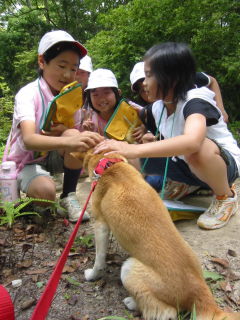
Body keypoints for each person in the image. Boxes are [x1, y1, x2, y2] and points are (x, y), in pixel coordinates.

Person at [94, 42, 240, 230]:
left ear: (170, 77)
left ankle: (225, 197)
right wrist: (140, 139)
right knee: (133, 156)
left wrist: (131, 148)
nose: (144, 84)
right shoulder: (157, 108)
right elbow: (140, 131)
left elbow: (191, 142)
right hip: (187, 166)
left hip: (223, 166)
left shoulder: (195, 101)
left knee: (198, 149)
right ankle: (184, 184)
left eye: (148, 75)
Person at [6, 30, 103, 223]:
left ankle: (68, 196)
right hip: (25, 162)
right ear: (42, 62)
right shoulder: (28, 94)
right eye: (61, 65)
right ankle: (24, 198)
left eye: (74, 68)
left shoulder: (70, 96)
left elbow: (72, 136)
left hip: (50, 156)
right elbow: (29, 140)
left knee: (75, 135)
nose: (68, 74)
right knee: (45, 192)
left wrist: (69, 136)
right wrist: (67, 139)